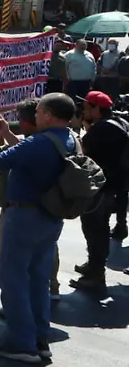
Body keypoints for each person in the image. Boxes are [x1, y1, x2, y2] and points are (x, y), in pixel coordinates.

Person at [0, 93, 76, 364]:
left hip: (24, 216)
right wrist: (8, 134)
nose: (35, 116)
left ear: (47, 114)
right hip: (50, 218)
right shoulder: (68, 139)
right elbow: (25, 156)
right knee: (38, 280)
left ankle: (22, 343)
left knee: (14, 279)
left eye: (39, 111)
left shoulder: (39, 142)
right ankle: (39, 339)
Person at [0, 100, 62, 311]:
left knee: (14, 271)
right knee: (40, 268)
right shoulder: (55, 140)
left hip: (23, 212)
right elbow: (21, 148)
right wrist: (5, 132)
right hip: (48, 213)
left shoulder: (35, 144)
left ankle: (19, 327)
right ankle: (40, 320)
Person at [71, 91, 128, 291]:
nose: (83, 109)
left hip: (101, 188)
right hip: (115, 186)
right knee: (99, 228)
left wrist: (80, 132)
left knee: (95, 229)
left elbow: (81, 152)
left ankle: (96, 273)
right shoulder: (118, 123)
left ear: (97, 109)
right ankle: (94, 265)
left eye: (87, 106)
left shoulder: (102, 129)